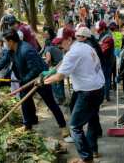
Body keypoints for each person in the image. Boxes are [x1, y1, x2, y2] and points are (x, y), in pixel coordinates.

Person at [0, 29, 69, 137]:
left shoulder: (26, 50)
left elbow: (35, 69)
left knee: (51, 103)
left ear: (11, 41)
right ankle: (27, 125)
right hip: (25, 78)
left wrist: (24, 80)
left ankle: (63, 127)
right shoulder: (10, 51)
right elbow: (3, 62)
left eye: (5, 41)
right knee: (25, 103)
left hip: (40, 79)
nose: (4, 44)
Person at [46, 27, 105, 163]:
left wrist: (44, 81)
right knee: (92, 119)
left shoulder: (73, 53)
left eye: (61, 42)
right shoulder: (84, 46)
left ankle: (86, 158)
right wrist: (50, 72)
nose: (59, 46)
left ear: (69, 39)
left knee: (75, 127)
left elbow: (60, 76)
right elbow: (62, 66)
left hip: (88, 91)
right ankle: (93, 150)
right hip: (97, 88)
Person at [43, 26, 65, 104]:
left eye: (46, 34)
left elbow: (48, 60)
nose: (45, 35)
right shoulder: (51, 46)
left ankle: (59, 99)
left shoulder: (48, 48)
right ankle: (62, 98)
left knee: (54, 81)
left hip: (58, 64)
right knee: (60, 81)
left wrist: (45, 65)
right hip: (62, 61)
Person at [96, 20, 114, 101]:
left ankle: (105, 96)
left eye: (99, 30)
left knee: (106, 79)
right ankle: (104, 95)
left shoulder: (108, 37)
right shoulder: (102, 35)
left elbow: (103, 50)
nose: (98, 32)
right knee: (104, 78)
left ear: (103, 29)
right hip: (103, 60)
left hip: (106, 61)